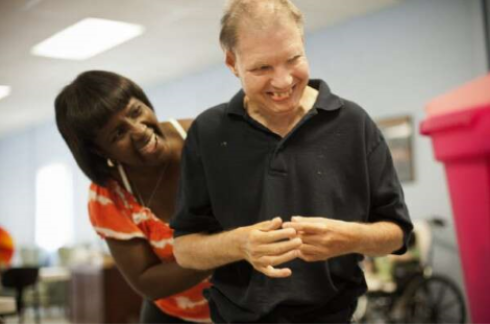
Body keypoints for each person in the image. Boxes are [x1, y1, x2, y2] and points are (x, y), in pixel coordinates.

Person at [170, 1, 413, 323]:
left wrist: (349, 239)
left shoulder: (353, 123)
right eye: (262, 68)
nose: (283, 82)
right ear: (232, 63)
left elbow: (398, 233)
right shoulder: (208, 132)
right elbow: (184, 249)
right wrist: (239, 244)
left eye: (293, 59)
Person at [55, 70, 211, 324]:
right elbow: (147, 281)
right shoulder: (109, 196)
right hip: (174, 315)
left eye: (136, 111)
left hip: (248, 305)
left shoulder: (204, 138)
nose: (139, 131)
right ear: (98, 150)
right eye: (117, 134)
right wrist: (225, 250)